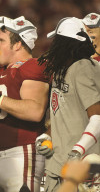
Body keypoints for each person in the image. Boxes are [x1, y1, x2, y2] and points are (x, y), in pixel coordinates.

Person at [0, 16, 50, 192]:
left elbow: (35, 111)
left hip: (20, 151)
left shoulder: (33, 65)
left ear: (17, 44)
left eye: (1, 40)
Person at [37, 17, 100, 191]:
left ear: (67, 44)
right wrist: (47, 136)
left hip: (81, 167)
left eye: (58, 41)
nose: (53, 46)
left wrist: (78, 151)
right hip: (57, 164)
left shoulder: (83, 67)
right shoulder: (61, 71)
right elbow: (62, 112)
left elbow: (97, 118)